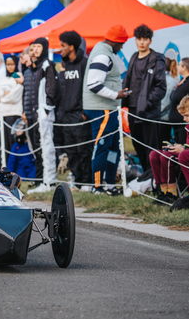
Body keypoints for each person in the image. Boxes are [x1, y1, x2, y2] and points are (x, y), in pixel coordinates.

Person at [83, 25, 131, 195]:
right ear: (115, 41)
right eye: (122, 43)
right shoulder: (103, 55)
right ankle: (97, 186)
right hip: (101, 109)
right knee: (102, 146)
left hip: (108, 108)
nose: (122, 47)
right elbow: (93, 84)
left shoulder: (105, 52)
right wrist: (115, 94)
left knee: (113, 148)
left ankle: (110, 184)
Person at [122, 24, 167, 171]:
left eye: (145, 39)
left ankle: (153, 177)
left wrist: (147, 103)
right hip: (133, 109)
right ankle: (146, 174)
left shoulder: (156, 59)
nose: (142, 42)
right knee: (137, 144)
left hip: (149, 111)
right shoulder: (134, 57)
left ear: (150, 41)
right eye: (139, 39)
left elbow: (161, 87)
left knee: (151, 147)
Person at [23, 37, 59, 194]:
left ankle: (50, 181)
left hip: (44, 112)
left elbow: (52, 88)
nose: (35, 49)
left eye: (38, 46)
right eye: (33, 46)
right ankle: (45, 179)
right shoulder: (36, 67)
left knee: (47, 145)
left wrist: (46, 108)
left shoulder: (47, 65)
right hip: (37, 113)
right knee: (40, 146)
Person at [59, 30, 92, 190]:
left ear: (72, 47)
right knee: (71, 151)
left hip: (80, 115)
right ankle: (78, 182)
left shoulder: (84, 63)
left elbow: (88, 88)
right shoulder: (65, 65)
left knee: (83, 149)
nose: (61, 49)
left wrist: (84, 112)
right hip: (66, 115)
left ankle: (87, 182)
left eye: (63, 46)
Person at [0, 55, 23, 158]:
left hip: (13, 113)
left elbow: (14, 96)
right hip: (3, 114)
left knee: (12, 141)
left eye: (12, 64)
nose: (9, 67)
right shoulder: (4, 78)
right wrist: (3, 94)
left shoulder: (17, 75)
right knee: (4, 143)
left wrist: (1, 98)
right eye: (7, 65)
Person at [160, 56, 180, 143]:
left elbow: (165, 102)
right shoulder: (170, 80)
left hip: (162, 118)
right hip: (161, 117)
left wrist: (154, 112)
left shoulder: (168, 81)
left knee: (162, 144)